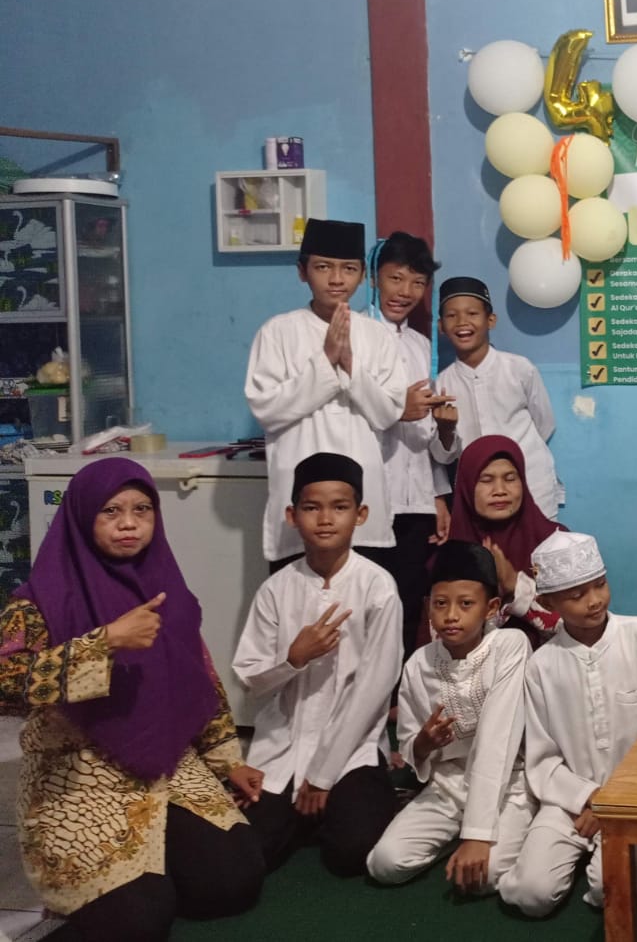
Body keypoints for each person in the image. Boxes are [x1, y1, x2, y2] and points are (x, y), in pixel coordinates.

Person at [0, 458, 262, 942]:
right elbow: (5, 684)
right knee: (137, 922)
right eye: (111, 511)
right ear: (82, 517)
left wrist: (228, 760)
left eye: (142, 509)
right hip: (78, 773)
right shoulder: (37, 602)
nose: (129, 523)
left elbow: (201, 678)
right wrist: (104, 642)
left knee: (232, 883)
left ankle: (155, 866)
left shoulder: (167, 590)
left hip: (168, 762)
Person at [233, 452, 402, 875]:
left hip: (351, 750)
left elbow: (374, 688)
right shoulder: (276, 590)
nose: (325, 519)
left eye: (339, 507)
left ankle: (337, 803)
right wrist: (294, 659)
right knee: (247, 851)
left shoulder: (377, 587)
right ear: (292, 516)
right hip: (284, 746)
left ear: (360, 514)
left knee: (351, 851)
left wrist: (323, 775)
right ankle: (302, 814)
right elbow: (251, 680)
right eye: (312, 507)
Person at [500, 532, 637, 915]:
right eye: (577, 595)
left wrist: (614, 801)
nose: (594, 600)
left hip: (632, 798)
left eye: (600, 585)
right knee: (529, 894)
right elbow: (543, 759)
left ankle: (601, 858)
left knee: (611, 889)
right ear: (548, 603)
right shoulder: (542, 665)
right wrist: (589, 798)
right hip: (569, 800)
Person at [367, 542, 532, 895]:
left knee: (482, 879)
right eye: (441, 604)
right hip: (448, 784)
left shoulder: (509, 646)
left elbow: (498, 738)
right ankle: (454, 836)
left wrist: (478, 835)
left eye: (465, 604)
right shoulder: (419, 663)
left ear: (490, 608)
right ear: (429, 606)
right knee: (384, 863)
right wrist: (423, 744)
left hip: (510, 784)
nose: (451, 615)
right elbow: (410, 746)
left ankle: (483, 832)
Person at [244, 217, 407, 565]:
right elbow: (266, 410)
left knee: (364, 588)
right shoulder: (277, 332)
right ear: (302, 271)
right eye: (323, 267)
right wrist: (324, 363)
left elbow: (387, 413)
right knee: (295, 590)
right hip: (298, 490)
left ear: (362, 276)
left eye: (348, 269)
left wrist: (349, 365)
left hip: (362, 490)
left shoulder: (378, 336)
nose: (336, 279)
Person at [372, 230, 455, 660]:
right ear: (374, 277)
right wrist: (395, 410)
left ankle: (398, 693)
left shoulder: (423, 347)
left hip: (415, 503)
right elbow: (342, 421)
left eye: (417, 282)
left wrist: (437, 493)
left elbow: (425, 436)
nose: (405, 292)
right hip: (370, 498)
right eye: (396, 278)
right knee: (368, 608)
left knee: (407, 605)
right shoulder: (356, 338)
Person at [433, 276, 561, 519]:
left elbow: (545, 424)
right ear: (441, 326)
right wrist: (445, 430)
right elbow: (443, 456)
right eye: (451, 315)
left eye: (472, 313)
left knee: (540, 542)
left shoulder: (519, 369)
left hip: (531, 484)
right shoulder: (441, 385)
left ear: (490, 320)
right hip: (479, 495)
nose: (462, 322)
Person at [446, 435, 563, 642]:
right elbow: (441, 636)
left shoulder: (557, 543)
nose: (500, 491)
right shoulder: (449, 556)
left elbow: (582, 623)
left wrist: (515, 585)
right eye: (486, 480)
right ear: (467, 486)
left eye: (510, 479)